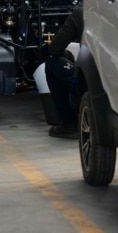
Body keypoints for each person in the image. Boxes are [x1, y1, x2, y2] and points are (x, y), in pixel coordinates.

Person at [45, 7, 83, 139]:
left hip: (93, 80)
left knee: (52, 64)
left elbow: (55, 49)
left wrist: (69, 56)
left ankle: (69, 124)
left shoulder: (82, 13)